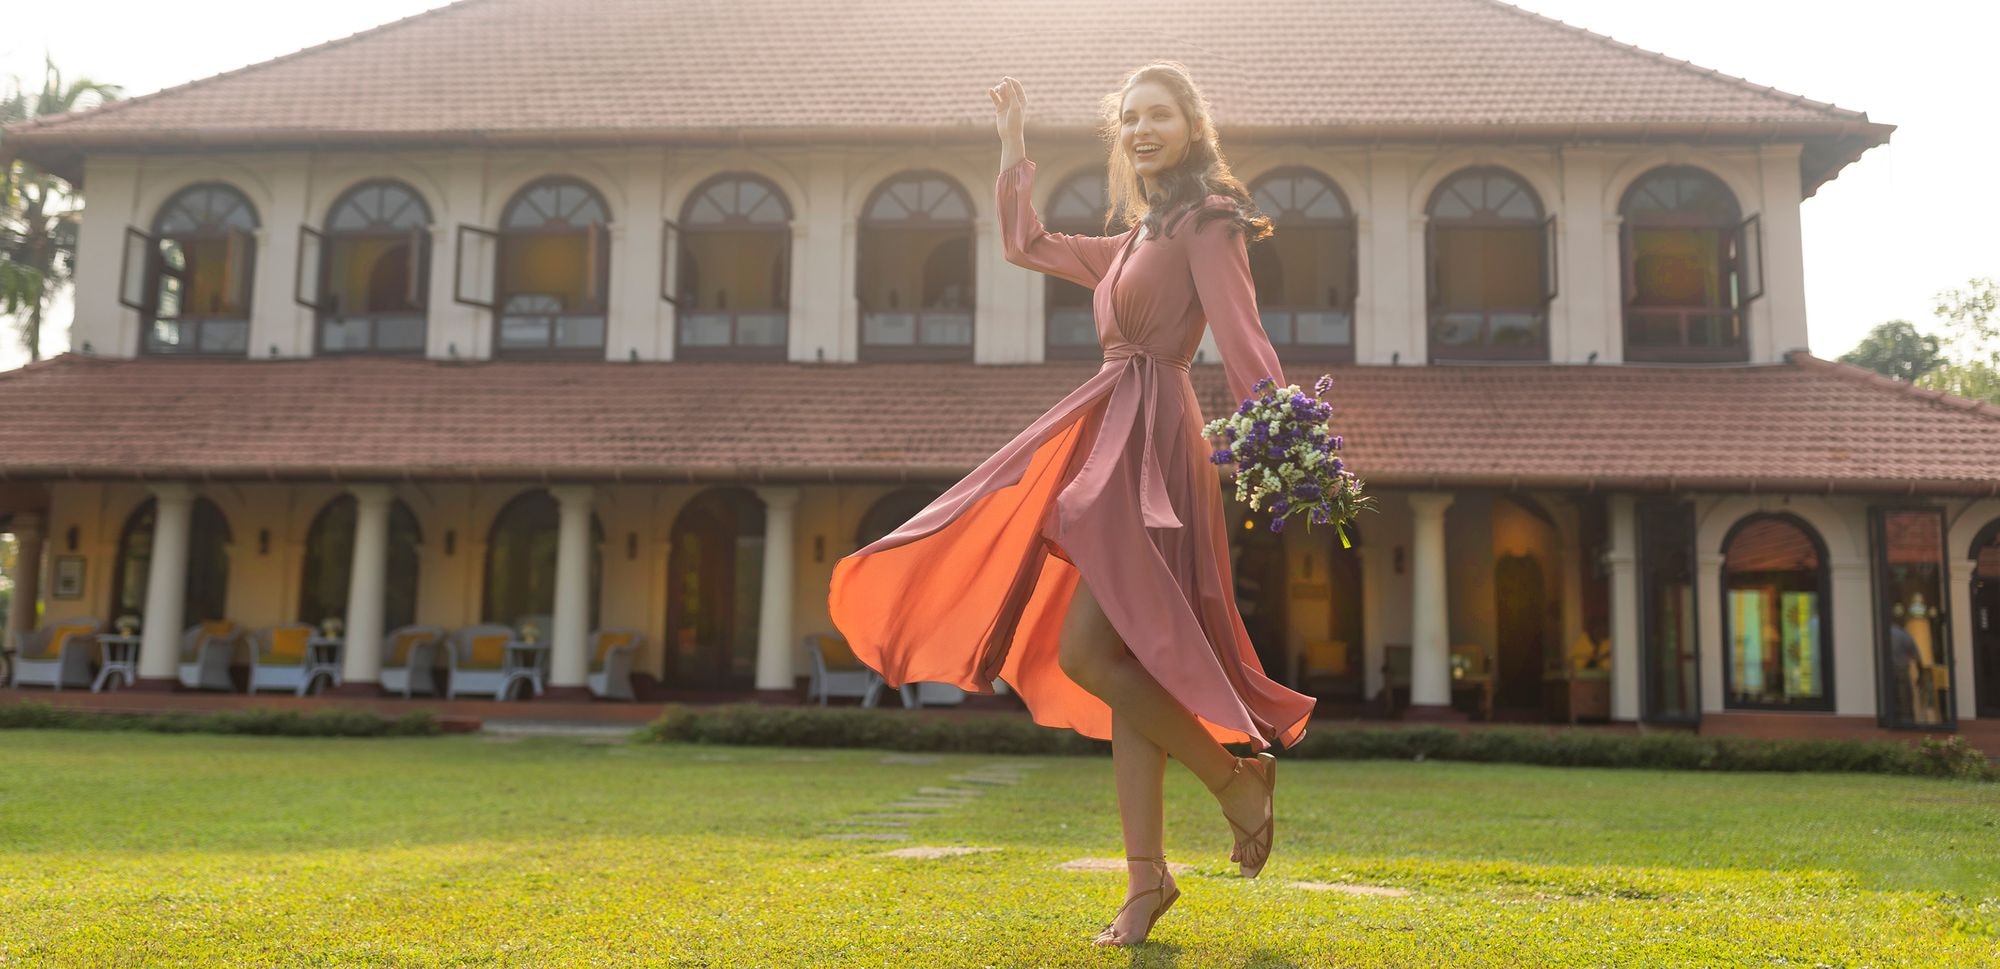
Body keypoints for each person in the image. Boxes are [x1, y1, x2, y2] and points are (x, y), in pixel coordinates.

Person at [826, 64, 1315, 947]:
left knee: (1089, 650)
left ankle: (1233, 781)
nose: (1142, 129)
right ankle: (1146, 878)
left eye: (1159, 115)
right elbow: (1026, 243)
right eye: (1129, 118)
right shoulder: (1131, 241)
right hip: (1108, 431)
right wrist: (1013, 142)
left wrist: (1284, 439)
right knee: (1123, 659)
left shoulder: (1208, 221)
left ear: (1192, 127)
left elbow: (1243, 335)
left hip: (1155, 440)